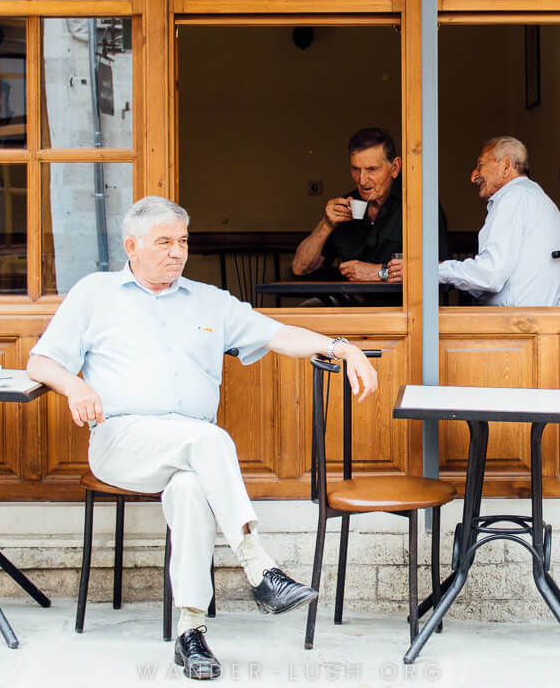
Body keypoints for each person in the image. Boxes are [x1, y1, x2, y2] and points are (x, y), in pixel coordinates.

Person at [27, 196, 377, 681]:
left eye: (183, 241)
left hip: (188, 451)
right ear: (132, 246)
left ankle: (189, 633)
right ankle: (259, 569)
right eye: (164, 242)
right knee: (210, 440)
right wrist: (75, 383)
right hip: (122, 441)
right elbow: (40, 362)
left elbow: (276, 334)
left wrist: (341, 347)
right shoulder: (95, 293)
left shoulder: (208, 300)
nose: (177, 252)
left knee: (192, 489)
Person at [426, 137, 560, 306]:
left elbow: (490, 276)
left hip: (518, 325)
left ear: (506, 166)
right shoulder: (533, 196)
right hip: (539, 320)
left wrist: (430, 269)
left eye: (480, 165)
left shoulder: (514, 198)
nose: (474, 176)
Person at [292, 128, 415, 283]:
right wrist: (326, 224)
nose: (362, 180)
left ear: (395, 168)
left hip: (400, 306)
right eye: (355, 169)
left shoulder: (418, 206)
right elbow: (299, 268)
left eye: (372, 169)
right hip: (347, 305)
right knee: (309, 306)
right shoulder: (347, 204)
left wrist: (380, 273)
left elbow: (440, 272)